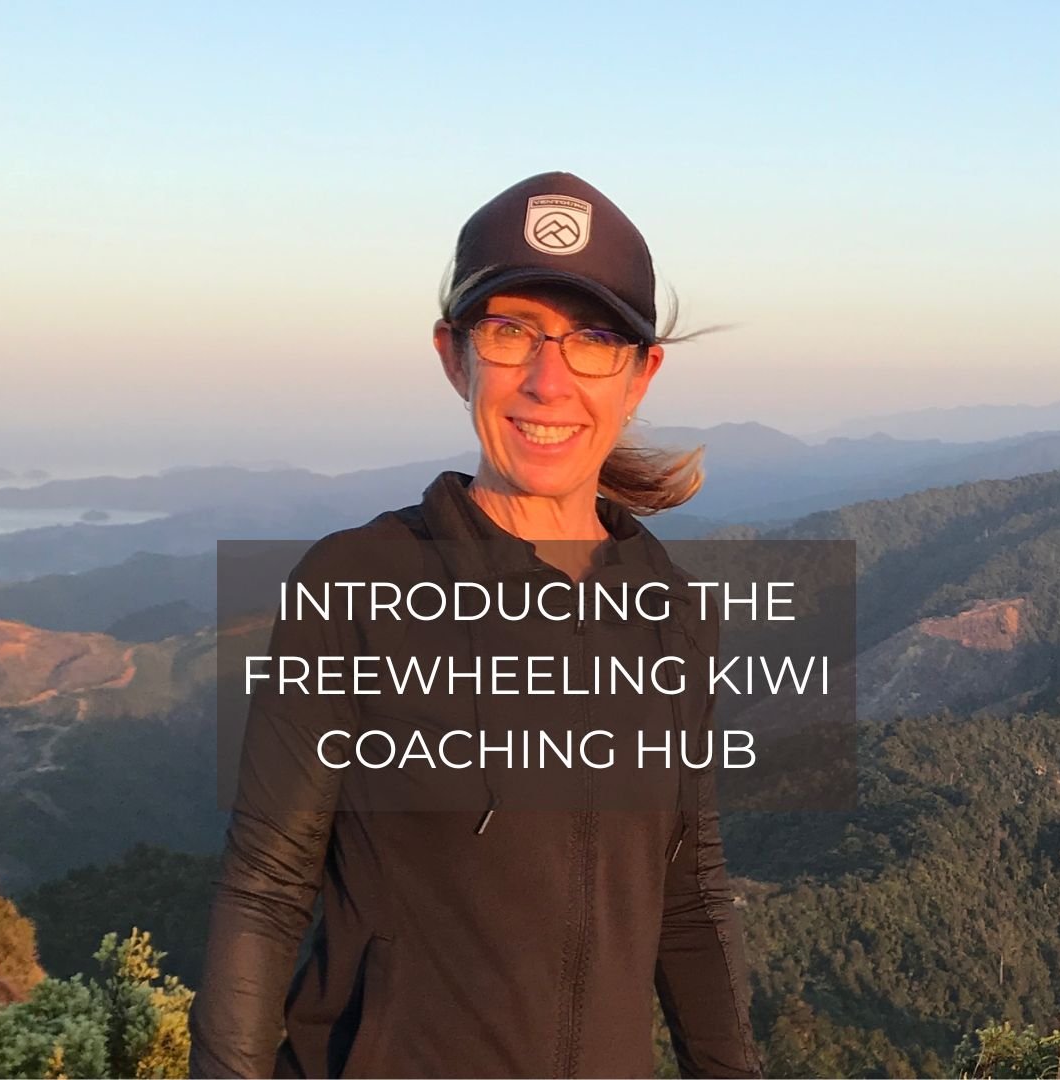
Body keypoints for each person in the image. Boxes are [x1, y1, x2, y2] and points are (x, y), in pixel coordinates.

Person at [189, 172, 763, 1079]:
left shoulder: (673, 617)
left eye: (594, 340)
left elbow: (687, 897)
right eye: (510, 332)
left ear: (640, 373)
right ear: (454, 357)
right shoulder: (358, 585)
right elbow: (265, 889)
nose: (547, 380)